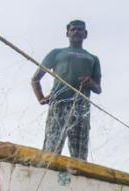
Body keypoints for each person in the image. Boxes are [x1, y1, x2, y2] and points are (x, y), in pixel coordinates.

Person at [31, 20, 102, 161]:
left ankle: (79, 176)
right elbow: (35, 79)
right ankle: (47, 170)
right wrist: (41, 98)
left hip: (82, 108)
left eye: (80, 30)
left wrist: (90, 83)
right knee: (51, 147)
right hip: (59, 104)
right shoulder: (57, 53)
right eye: (73, 29)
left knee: (80, 153)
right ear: (67, 33)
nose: (76, 32)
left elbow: (98, 88)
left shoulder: (92, 58)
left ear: (85, 34)